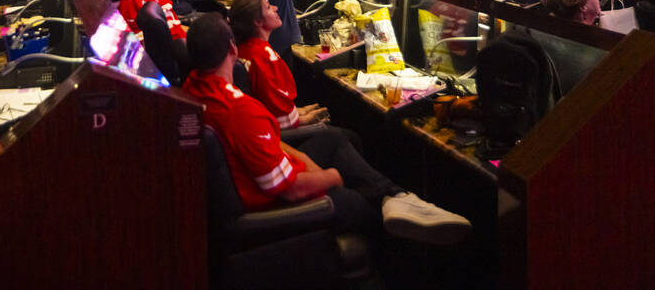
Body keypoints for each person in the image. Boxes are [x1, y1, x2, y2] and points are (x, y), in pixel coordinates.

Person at [182, 13, 471, 244]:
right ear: (232, 48)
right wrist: (331, 177)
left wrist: (306, 162)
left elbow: (272, 144)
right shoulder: (240, 111)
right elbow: (290, 190)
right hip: (270, 207)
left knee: (334, 139)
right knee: (360, 204)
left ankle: (397, 197)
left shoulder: (191, 87)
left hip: (260, 180)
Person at [228, 0, 328, 129]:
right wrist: (305, 119)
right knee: (347, 137)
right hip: (277, 134)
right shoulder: (263, 58)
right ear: (257, 21)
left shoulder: (245, 48)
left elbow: (269, 104)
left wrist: (300, 112)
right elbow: (278, 118)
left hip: (268, 123)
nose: (276, 8)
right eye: (269, 7)